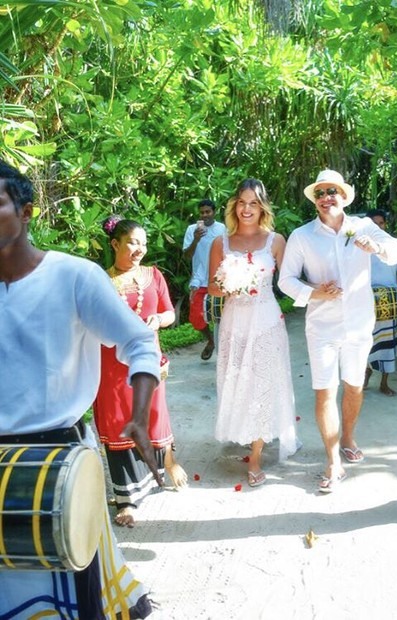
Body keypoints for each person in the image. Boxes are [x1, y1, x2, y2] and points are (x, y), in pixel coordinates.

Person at [0, 160, 161, 617]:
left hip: (58, 461)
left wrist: (139, 413)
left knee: (70, 592)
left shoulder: (74, 277)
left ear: (26, 211)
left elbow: (138, 341)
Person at [278, 169, 397, 492]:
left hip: (360, 324)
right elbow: (285, 280)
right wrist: (315, 293)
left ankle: (348, 436)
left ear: (344, 196)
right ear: (315, 201)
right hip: (321, 326)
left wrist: (375, 248)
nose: (325, 198)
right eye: (320, 194)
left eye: (331, 191)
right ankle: (333, 460)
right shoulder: (302, 236)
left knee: (354, 387)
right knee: (324, 391)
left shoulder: (363, 227)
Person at [94, 216, 187, 527]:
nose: (139, 249)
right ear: (115, 243)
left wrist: (157, 321)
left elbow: (170, 313)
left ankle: (167, 463)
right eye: (133, 242)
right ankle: (126, 500)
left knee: (154, 415)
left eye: (143, 243)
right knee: (117, 422)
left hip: (147, 359)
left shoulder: (153, 275)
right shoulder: (99, 281)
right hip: (111, 366)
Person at [208, 178, 298, 487]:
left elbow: (289, 282)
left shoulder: (276, 241)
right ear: (235, 205)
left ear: (263, 208)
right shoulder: (221, 242)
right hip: (234, 320)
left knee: (264, 383)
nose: (247, 209)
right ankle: (244, 432)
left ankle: (257, 456)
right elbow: (211, 287)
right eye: (242, 202)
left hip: (266, 318)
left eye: (254, 203)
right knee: (239, 379)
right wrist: (231, 284)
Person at [364, 208, 397, 396]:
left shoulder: (394, 246)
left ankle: (384, 383)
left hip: (390, 304)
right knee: (365, 344)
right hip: (366, 303)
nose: (379, 227)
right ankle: (364, 378)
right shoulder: (359, 246)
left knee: (388, 345)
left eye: (381, 223)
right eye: (374, 224)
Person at [183, 198, 225, 360]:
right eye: (202, 213)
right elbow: (187, 256)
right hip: (199, 280)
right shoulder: (192, 230)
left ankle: (224, 352)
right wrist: (196, 239)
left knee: (223, 316)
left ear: (214, 212)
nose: (205, 215)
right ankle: (210, 340)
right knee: (196, 318)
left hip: (220, 279)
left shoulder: (222, 229)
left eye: (208, 212)